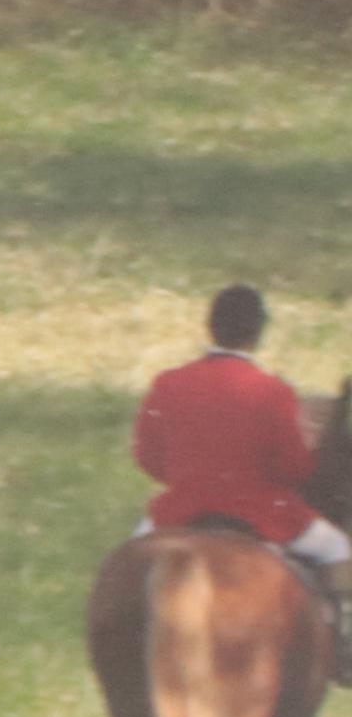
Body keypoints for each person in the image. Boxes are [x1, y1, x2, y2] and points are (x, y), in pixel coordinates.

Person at [135, 282, 352, 681]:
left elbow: (147, 456)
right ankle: (343, 650)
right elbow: (294, 470)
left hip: (177, 512)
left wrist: (189, 477)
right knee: (339, 547)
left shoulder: (167, 383)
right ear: (257, 333)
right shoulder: (271, 392)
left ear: (210, 326)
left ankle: (131, 652)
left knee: (130, 566)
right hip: (260, 514)